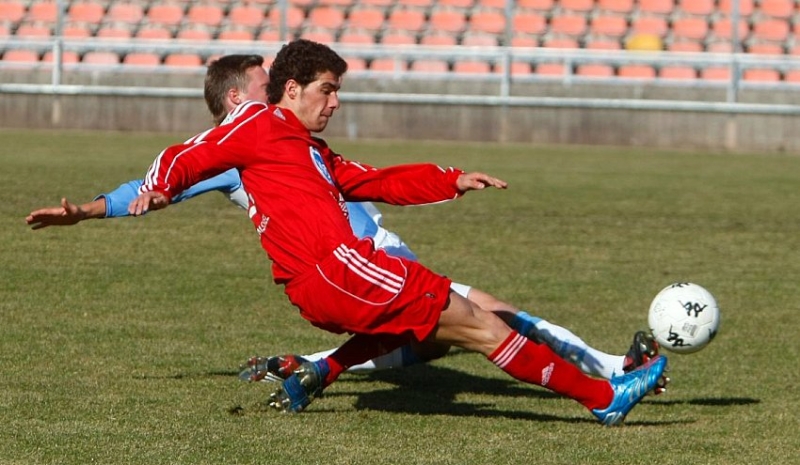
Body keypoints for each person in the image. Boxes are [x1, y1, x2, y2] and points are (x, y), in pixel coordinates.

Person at [26, 54, 661, 383]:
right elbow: (154, 182)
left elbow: (366, 177)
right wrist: (88, 210)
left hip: (375, 255)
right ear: (239, 98)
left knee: (440, 338)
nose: (283, 88)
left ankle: (316, 367)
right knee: (485, 317)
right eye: (268, 83)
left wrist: (446, 180)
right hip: (355, 267)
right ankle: (610, 373)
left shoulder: (290, 137)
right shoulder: (238, 147)